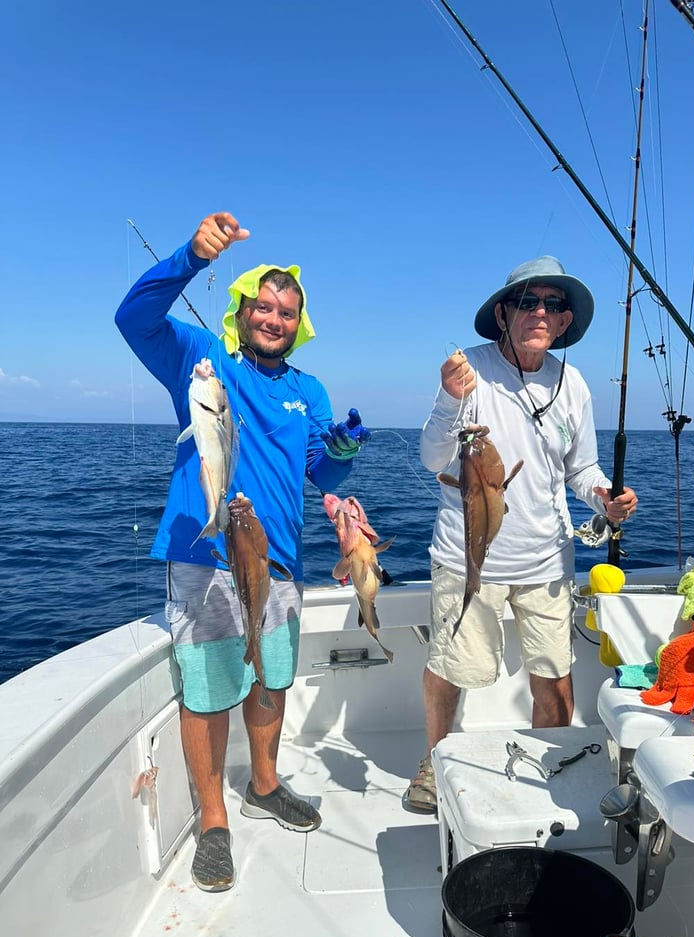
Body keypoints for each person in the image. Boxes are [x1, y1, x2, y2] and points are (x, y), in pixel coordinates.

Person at [116, 211, 369, 890]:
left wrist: (343, 444)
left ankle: (264, 783)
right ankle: (213, 820)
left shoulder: (307, 390)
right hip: (204, 558)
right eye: (263, 307)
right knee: (206, 693)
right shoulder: (205, 358)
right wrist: (191, 257)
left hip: (281, 561)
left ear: (299, 322)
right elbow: (134, 318)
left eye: (287, 312)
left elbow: (325, 474)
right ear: (242, 309)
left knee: (270, 678)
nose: (274, 319)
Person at [406, 255, 638, 813]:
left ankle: (553, 761)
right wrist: (446, 399)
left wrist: (605, 497)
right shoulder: (470, 372)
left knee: (555, 678)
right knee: (450, 665)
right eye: (528, 302)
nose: (540, 311)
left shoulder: (573, 383)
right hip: (468, 559)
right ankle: (435, 761)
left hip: (546, 561)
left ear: (563, 323)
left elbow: (580, 469)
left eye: (553, 305)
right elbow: (432, 457)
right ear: (504, 312)